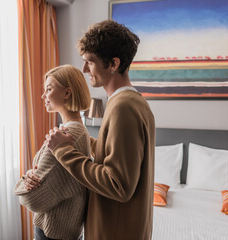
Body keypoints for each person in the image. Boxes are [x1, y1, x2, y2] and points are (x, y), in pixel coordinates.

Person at [43, 20, 156, 239]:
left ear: (113, 64)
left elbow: (118, 185)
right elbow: (117, 154)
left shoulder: (123, 107)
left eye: (90, 62)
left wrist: (64, 151)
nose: (84, 69)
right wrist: (83, 138)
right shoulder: (132, 102)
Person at [14, 64, 92, 240]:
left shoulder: (67, 135)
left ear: (67, 93)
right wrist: (28, 176)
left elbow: (31, 199)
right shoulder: (76, 130)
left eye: (49, 89)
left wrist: (23, 182)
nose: (43, 96)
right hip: (65, 231)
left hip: (53, 234)